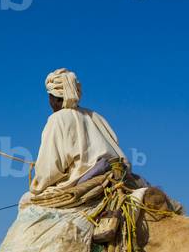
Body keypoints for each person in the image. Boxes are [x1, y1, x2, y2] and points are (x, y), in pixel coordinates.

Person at [30, 68, 129, 196]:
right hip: (117, 176)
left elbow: (48, 172)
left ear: (55, 98)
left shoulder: (57, 119)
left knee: (26, 200)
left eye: (50, 97)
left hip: (82, 182)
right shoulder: (96, 117)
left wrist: (37, 186)